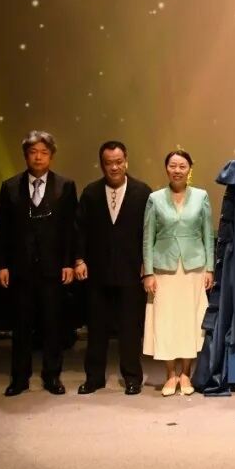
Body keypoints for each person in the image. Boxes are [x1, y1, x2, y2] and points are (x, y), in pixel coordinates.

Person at [0, 131, 77, 396]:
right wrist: (2, 264)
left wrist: (69, 263)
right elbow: (2, 229)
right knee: (21, 325)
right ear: (25, 155)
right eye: (33, 152)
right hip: (21, 268)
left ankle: (52, 376)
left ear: (51, 155)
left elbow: (70, 229)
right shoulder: (10, 187)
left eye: (43, 152)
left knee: (53, 325)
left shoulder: (65, 186)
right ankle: (19, 378)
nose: (38, 157)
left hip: (53, 267)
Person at [74, 141, 152, 395]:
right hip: (98, 272)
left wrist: (148, 264)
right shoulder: (91, 192)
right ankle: (94, 378)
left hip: (131, 271)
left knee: (130, 329)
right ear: (102, 165)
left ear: (126, 161)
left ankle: (132, 378)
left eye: (119, 162)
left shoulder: (142, 192)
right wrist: (79, 260)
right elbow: (80, 230)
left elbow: (150, 232)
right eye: (109, 163)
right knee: (97, 328)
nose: (114, 167)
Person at [142, 149, 214, 396]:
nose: (177, 170)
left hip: (194, 267)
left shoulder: (201, 196)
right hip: (163, 268)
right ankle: (170, 374)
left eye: (182, 166)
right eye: (173, 166)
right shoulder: (155, 198)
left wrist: (210, 268)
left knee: (190, 320)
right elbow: (148, 238)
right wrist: (148, 272)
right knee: (165, 320)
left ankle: (186, 373)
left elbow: (208, 234)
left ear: (189, 169)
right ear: (166, 169)